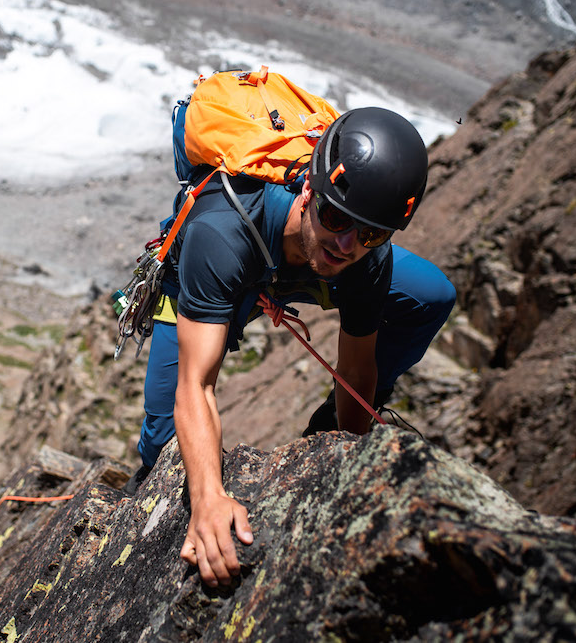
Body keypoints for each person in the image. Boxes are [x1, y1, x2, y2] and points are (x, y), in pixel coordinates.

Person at [124, 107, 456, 587]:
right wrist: (209, 497)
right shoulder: (221, 230)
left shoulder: (363, 256)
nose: (345, 242)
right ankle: (151, 475)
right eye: (336, 216)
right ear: (308, 189)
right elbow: (196, 384)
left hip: (298, 262)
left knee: (431, 296)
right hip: (227, 263)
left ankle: (323, 425)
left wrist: (345, 454)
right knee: (164, 445)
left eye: (369, 232)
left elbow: (357, 370)